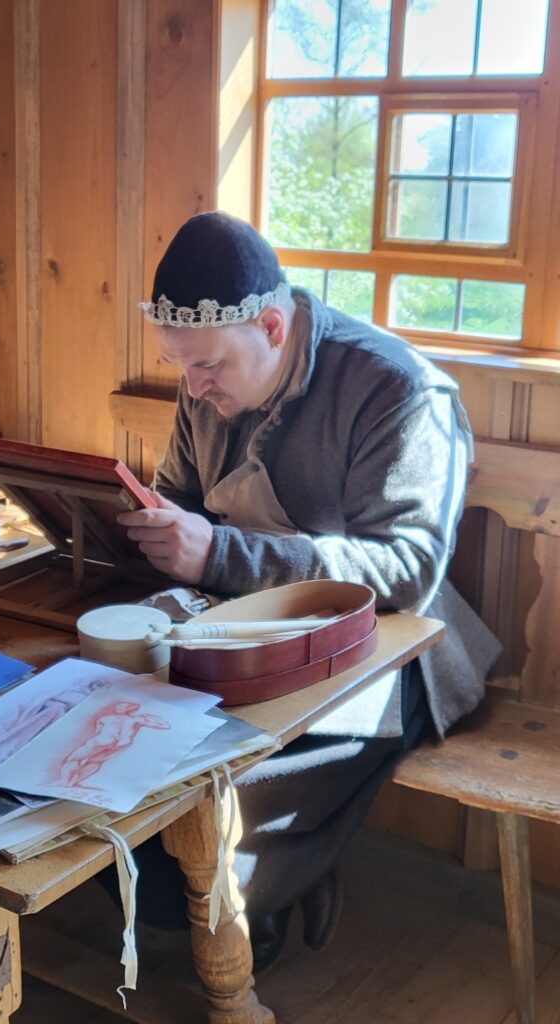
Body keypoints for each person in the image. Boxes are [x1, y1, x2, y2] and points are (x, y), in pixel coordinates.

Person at [104, 211, 500, 971]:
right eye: (179, 367)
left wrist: (219, 552)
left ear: (273, 327)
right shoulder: (204, 376)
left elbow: (407, 571)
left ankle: (285, 882)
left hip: (385, 652)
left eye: (208, 367)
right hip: (237, 632)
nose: (193, 388)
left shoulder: (399, 388)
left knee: (204, 836)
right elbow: (177, 496)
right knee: (126, 781)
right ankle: (277, 884)